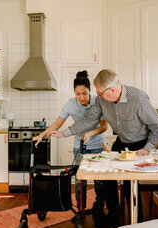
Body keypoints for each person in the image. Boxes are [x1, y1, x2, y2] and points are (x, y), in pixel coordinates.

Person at [49, 69, 158, 227]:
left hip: (140, 144)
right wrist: (65, 133)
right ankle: (114, 215)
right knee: (107, 175)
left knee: (130, 183)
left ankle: (135, 223)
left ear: (111, 90)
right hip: (122, 141)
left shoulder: (138, 99)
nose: (96, 95)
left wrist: (148, 147)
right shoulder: (102, 100)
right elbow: (89, 120)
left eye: (99, 91)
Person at [33, 70, 108, 217]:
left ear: (90, 91)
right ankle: (80, 211)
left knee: (100, 182)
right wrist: (41, 135)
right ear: (74, 92)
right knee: (80, 182)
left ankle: (99, 209)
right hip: (79, 147)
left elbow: (104, 126)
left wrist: (90, 133)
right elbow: (57, 123)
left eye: (84, 93)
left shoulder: (99, 102)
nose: (81, 97)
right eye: (77, 93)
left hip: (99, 146)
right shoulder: (70, 105)